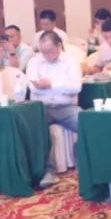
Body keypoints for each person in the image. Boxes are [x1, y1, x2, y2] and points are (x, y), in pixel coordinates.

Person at [26, 31, 82, 187]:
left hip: (66, 107)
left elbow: (76, 87)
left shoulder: (70, 60)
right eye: (43, 52)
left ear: (59, 46)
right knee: (36, 129)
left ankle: (83, 164)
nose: (46, 55)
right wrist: (62, 86)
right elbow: (34, 87)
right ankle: (48, 172)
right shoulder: (34, 62)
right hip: (42, 107)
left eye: (50, 51)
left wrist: (51, 84)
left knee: (87, 124)